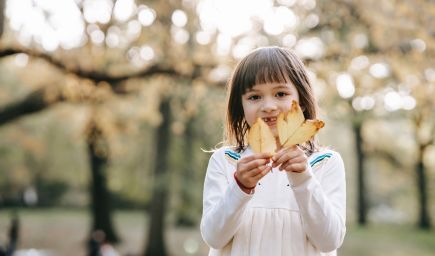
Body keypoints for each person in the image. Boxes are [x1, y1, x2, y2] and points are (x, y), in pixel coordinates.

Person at [200, 46, 346, 256]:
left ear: (302, 102)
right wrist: (240, 187)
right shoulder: (226, 161)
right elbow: (214, 237)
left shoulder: (324, 163)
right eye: (254, 97)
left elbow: (329, 241)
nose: (268, 106)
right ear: (240, 105)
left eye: (280, 93)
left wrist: (304, 180)